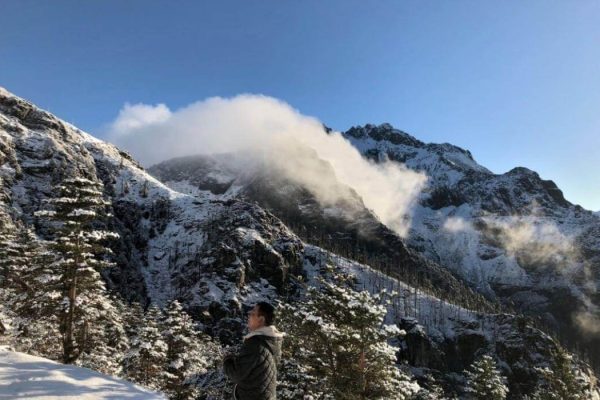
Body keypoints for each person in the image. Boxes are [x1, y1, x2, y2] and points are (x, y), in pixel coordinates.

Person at [223, 301, 285, 400]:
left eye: (252, 313)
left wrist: (228, 360)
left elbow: (236, 374)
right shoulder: (272, 341)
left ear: (261, 319)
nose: (249, 316)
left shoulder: (255, 343)